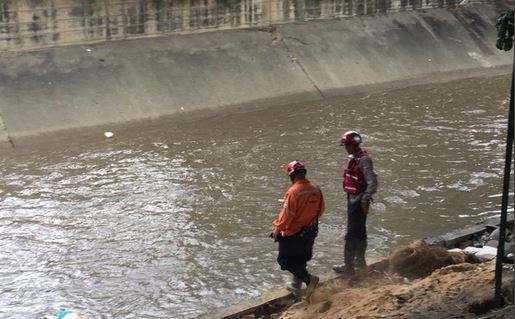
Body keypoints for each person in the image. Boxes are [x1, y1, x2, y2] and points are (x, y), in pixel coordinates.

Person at [272, 160, 325, 301]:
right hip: (311, 230)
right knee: (301, 259)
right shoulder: (316, 189)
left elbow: (286, 214)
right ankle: (296, 286)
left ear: (291, 176)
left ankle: (309, 279)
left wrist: (277, 229)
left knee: (285, 261)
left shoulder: (293, 192)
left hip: (294, 233)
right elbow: (320, 211)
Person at [333, 131, 378, 275]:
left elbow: (372, 182)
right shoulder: (354, 158)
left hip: (358, 201)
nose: (345, 148)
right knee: (359, 231)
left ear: (353, 145)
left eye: (346, 145)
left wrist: (364, 199)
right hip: (352, 198)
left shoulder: (364, 160)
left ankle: (349, 267)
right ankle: (359, 262)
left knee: (352, 234)